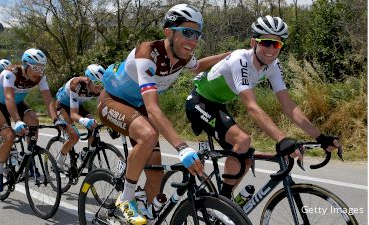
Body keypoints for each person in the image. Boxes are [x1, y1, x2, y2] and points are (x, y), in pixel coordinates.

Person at [97, 4, 230, 224]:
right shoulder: (147, 53)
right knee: (148, 135)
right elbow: (153, 109)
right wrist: (182, 147)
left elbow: (198, 66)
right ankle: (126, 198)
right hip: (112, 101)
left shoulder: (184, 55)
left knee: (156, 175)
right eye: (187, 32)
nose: (193, 40)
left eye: (197, 34)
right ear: (169, 31)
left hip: (138, 108)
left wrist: (230, 54)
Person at [185, 15, 341, 199]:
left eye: (276, 44)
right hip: (199, 102)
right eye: (266, 42)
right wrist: (281, 139)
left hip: (218, 105)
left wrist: (320, 136)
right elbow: (251, 106)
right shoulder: (240, 60)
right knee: (243, 140)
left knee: (247, 158)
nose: (271, 49)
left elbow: (288, 105)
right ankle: (223, 205)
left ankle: (224, 200)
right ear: (254, 42)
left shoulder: (273, 66)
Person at [0, 48, 64, 192]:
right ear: (25, 65)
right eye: (36, 68)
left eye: (42, 68)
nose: (40, 72)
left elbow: (48, 99)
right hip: (0, 105)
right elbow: (9, 98)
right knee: (10, 137)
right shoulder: (10, 73)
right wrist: (17, 120)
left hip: (18, 104)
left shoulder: (40, 77)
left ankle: (29, 156)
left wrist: (56, 119)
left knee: (33, 122)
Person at [54, 64, 104, 170]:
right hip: (62, 106)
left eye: (102, 83)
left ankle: (87, 158)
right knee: (74, 136)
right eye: (97, 83)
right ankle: (59, 159)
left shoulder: (97, 88)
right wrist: (84, 121)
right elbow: (73, 114)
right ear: (88, 80)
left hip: (77, 105)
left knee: (94, 128)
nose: (99, 87)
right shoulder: (76, 84)